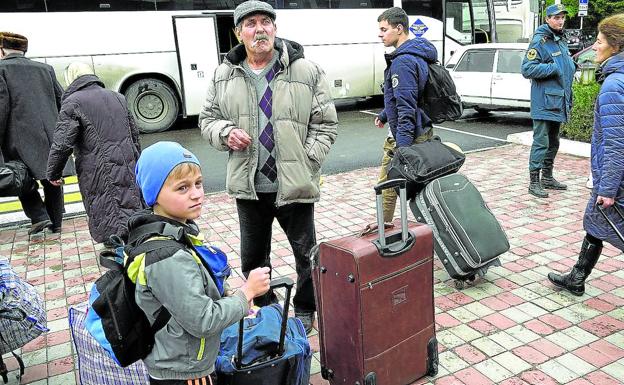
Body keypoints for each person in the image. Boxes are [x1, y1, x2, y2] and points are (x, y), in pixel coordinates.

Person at [198, 0, 338, 333]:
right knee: (253, 260)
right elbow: (207, 120)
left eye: (266, 22)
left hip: (295, 184)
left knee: (307, 256)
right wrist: (225, 132)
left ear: (275, 28)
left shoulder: (306, 70)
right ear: (238, 32)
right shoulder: (223, 75)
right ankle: (267, 309)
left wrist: (307, 160)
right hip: (249, 187)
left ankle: (306, 308)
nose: (259, 29)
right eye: (250, 24)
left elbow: (326, 124)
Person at [132, 141, 271, 384]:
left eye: (198, 183)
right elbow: (203, 321)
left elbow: (197, 289)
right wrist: (246, 292)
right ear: (154, 193)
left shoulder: (177, 230)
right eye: (182, 188)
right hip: (184, 371)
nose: (196, 193)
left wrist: (240, 302)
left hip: (186, 358)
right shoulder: (167, 257)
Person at [548, 14, 624, 296]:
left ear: (615, 46)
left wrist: (607, 188)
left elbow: (617, 144)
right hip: (614, 177)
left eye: (600, 41)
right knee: (596, 220)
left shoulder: (614, 87)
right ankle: (577, 277)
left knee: (612, 224)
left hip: (616, 179)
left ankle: (577, 277)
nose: (594, 46)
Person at [46, 62, 144, 246]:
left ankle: (117, 251)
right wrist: (137, 160)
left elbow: (62, 143)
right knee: (128, 201)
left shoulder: (73, 102)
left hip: (96, 167)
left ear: (71, 78)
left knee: (106, 206)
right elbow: (134, 134)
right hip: (127, 162)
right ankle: (136, 241)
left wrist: (53, 172)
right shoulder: (117, 97)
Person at [0, 32, 73, 234]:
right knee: (52, 177)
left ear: (2, 49)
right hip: (50, 133)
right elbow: (62, 101)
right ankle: (56, 222)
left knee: (20, 176)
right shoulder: (45, 69)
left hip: (17, 137)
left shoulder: (1, 70)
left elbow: (1, 107)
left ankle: (39, 216)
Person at [374, 7, 437, 223]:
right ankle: (434, 230)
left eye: (384, 29)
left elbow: (406, 108)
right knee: (422, 186)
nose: (380, 34)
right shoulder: (418, 53)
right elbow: (412, 94)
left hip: (407, 135)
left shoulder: (402, 61)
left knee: (387, 186)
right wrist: (384, 114)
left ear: (399, 28)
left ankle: (384, 236)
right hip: (423, 130)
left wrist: (402, 149)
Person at [521, 4, 576, 199]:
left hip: (557, 101)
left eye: (562, 17)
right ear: (547, 19)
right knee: (541, 142)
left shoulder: (559, 40)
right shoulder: (540, 41)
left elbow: (564, 67)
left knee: (553, 142)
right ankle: (534, 182)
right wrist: (552, 68)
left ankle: (547, 177)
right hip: (544, 102)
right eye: (556, 17)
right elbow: (527, 69)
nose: (560, 21)